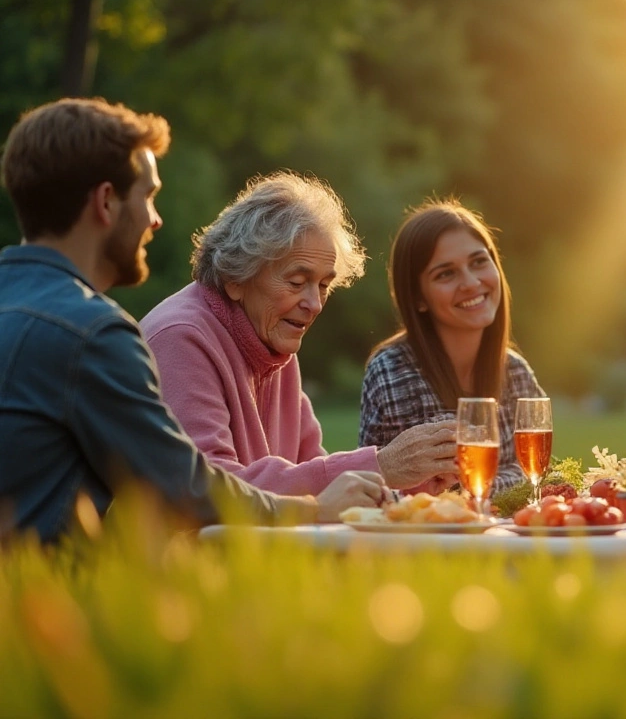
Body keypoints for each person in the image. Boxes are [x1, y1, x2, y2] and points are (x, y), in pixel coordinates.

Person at [0, 98, 384, 542]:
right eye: (147, 196)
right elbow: (186, 487)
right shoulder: (92, 335)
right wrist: (313, 510)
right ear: (106, 202)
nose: (155, 219)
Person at [141, 173, 454, 496]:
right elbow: (212, 489)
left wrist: (407, 486)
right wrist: (381, 466)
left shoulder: (274, 343)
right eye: (296, 282)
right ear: (235, 277)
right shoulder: (180, 338)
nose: (315, 304)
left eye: (323, 285)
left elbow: (313, 474)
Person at [360, 199, 546, 494]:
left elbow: (537, 477)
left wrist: (482, 484)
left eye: (479, 262)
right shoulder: (393, 371)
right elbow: (416, 493)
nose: (471, 283)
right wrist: (505, 484)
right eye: (445, 273)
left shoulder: (516, 372)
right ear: (418, 298)